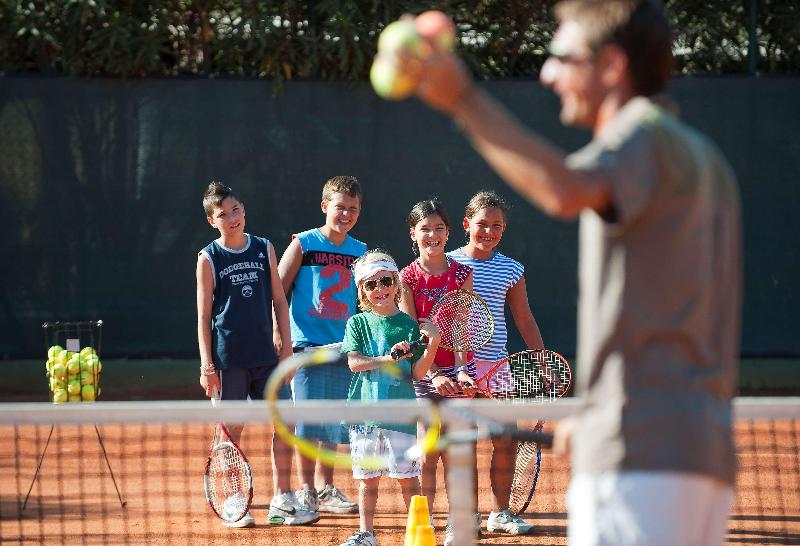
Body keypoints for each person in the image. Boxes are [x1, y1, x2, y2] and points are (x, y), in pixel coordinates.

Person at [407, 1, 743, 544]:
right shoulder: (699, 157)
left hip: (642, 458)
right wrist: (597, 411)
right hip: (695, 445)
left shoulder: (640, 141)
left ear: (610, 66)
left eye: (562, 56)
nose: (548, 73)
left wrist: (462, 99)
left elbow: (562, 189)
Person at [196, 181, 319, 528]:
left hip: (268, 356)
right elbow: (204, 317)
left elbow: (279, 301)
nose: (232, 218)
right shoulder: (208, 258)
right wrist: (207, 366)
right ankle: (236, 498)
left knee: (286, 420)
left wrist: (287, 350)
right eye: (223, 215)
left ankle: (282, 496)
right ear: (212, 221)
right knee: (232, 427)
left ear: (244, 210)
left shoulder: (264, 248)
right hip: (228, 359)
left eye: (236, 210)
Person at [447, 190, 545, 536]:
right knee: (463, 442)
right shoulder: (447, 263)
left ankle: (500, 513)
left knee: (504, 439)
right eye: (482, 224)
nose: (488, 231)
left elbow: (524, 318)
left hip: (497, 368)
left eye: (497, 226)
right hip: (456, 369)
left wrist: (541, 358)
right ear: (465, 224)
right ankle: (468, 516)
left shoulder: (511, 269)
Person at [338, 249, 441, 546]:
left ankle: (420, 532)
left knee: (408, 478)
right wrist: (387, 358)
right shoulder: (357, 323)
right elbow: (354, 363)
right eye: (370, 285)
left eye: (385, 281)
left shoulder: (409, 326)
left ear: (395, 282)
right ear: (362, 291)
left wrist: (432, 344)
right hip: (365, 414)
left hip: (401, 416)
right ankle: (366, 534)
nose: (379, 289)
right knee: (368, 480)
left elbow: (418, 373)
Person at [276, 175, 365, 515]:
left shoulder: (360, 251)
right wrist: (278, 332)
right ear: (325, 206)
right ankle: (306, 490)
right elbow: (278, 290)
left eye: (353, 209)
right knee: (308, 421)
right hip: (306, 345)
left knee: (333, 422)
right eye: (340, 207)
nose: (346, 214)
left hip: (344, 347)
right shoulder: (304, 243)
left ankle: (327, 489)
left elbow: (367, 299)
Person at [397, 198, 480, 545]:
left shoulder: (462, 273)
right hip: (423, 373)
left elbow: (462, 327)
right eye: (425, 229)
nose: (433, 235)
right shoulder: (406, 278)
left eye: (439, 228)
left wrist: (460, 370)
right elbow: (411, 333)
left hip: (459, 371)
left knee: (460, 450)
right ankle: (427, 523)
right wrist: (433, 376)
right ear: (413, 234)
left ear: (448, 231)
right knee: (428, 450)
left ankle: (460, 522)